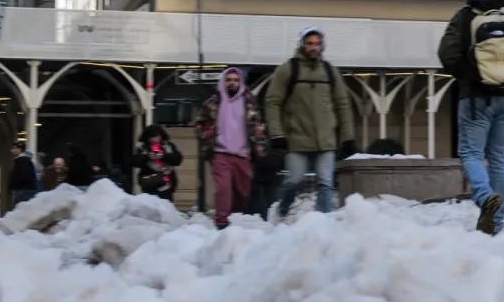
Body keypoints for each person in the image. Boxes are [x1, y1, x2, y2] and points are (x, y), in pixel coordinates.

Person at [439, 0, 504, 233]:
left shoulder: (465, 16)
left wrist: (468, 76)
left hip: (476, 98)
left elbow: (446, 53)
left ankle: (485, 197)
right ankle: (496, 223)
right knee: (501, 160)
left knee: (471, 153)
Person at [264, 27, 359, 217]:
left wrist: (348, 137)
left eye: (317, 44)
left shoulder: (329, 71)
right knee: (293, 180)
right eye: (309, 43)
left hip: (326, 139)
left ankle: (322, 222)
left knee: (326, 183)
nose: (314, 47)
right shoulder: (288, 69)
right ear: (302, 45)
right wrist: (277, 134)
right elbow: (273, 102)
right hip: (297, 138)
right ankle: (282, 211)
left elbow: (342, 104)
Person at [195, 67, 266, 229]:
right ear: (222, 82)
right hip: (220, 153)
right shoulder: (212, 103)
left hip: (244, 154)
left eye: (235, 80)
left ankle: (238, 220)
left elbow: (257, 125)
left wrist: (259, 141)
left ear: (241, 82)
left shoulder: (249, 102)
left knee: (244, 191)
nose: (232, 83)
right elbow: (199, 125)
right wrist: (207, 134)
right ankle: (221, 221)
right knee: (223, 188)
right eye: (228, 80)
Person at [133, 125, 184, 203]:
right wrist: (148, 157)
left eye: (156, 136)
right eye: (151, 137)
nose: (154, 139)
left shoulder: (168, 146)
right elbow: (134, 162)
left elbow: (178, 160)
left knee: (166, 205)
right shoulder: (142, 148)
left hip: (166, 183)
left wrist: (163, 156)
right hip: (149, 183)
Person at [7, 142, 39, 206]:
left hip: (22, 190)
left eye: (13, 148)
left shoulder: (23, 160)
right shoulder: (21, 160)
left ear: (19, 149)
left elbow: (23, 175)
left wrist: (17, 187)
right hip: (22, 190)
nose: (11, 150)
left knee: (19, 208)